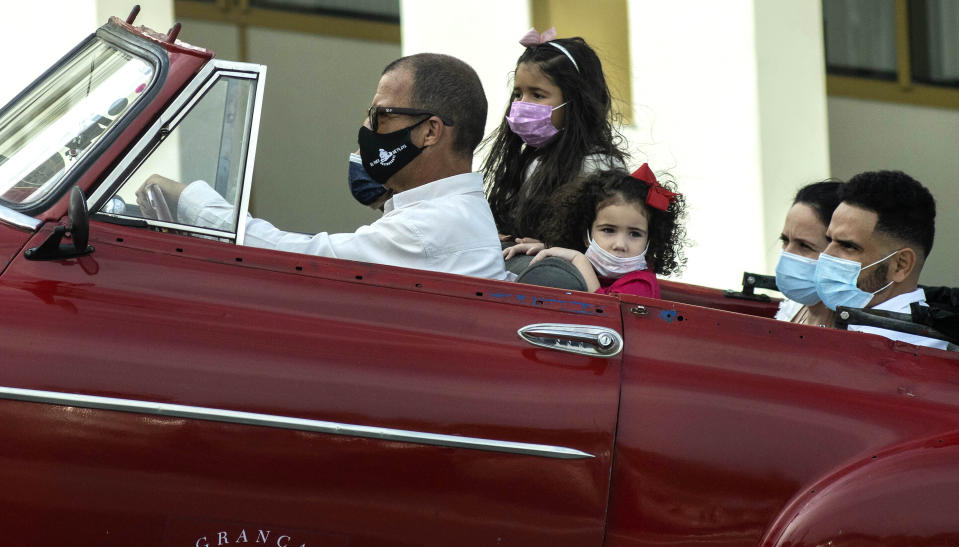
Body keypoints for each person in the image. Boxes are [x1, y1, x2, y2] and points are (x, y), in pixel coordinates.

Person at [137, 53, 509, 281]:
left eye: (381, 116)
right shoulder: (446, 213)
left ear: (430, 131)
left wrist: (191, 201)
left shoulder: (431, 227)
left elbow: (300, 262)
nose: (366, 130)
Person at [482, 27, 627, 245]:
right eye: (518, 94)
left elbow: (608, 245)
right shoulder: (533, 160)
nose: (522, 105)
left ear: (576, 101)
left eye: (538, 95)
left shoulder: (597, 167)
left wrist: (549, 248)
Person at [814, 169, 949, 350]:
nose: (826, 255)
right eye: (829, 240)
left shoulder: (913, 350)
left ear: (900, 265)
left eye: (848, 246)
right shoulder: (852, 322)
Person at [503, 165, 687, 297]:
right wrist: (547, 248)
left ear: (650, 240)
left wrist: (578, 259)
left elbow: (603, 311)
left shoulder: (640, 285)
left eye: (634, 234)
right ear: (586, 235)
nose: (619, 245)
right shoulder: (595, 265)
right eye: (608, 230)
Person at [774, 180, 843, 327]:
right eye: (785, 240)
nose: (787, 254)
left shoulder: (857, 330)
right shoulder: (792, 308)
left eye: (804, 246)